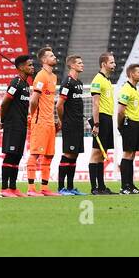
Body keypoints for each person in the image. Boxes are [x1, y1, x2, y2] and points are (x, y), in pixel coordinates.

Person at [0, 53, 34, 197]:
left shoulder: (25, 84)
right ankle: (4, 188)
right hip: (12, 124)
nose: (32, 67)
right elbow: (5, 102)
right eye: (29, 65)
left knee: (17, 156)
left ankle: (13, 187)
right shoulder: (16, 83)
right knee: (10, 155)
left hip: (21, 125)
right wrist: (3, 120)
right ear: (21, 67)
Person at [26, 47, 59, 196]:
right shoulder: (41, 76)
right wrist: (32, 116)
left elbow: (49, 101)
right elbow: (34, 99)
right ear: (44, 60)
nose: (54, 57)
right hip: (40, 121)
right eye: (51, 56)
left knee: (49, 155)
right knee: (35, 154)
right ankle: (31, 188)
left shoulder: (54, 77)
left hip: (50, 121)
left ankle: (44, 188)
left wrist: (56, 119)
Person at [57, 54, 86, 196]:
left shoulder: (79, 83)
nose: (82, 65)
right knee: (68, 153)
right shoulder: (67, 83)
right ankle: (61, 188)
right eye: (79, 63)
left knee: (74, 155)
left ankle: (70, 187)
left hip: (78, 124)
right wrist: (63, 120)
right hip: (70, 124)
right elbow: (59, 105)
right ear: (72, 65)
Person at [87, 53, 116, 195]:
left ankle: (102, 186)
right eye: (111, 62)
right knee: (95, 153)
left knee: (101, 154)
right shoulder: (97, 80)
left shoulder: (107, 80)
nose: (114, 64)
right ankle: (94, 188)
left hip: (107, 118)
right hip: (101, 119)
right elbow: (95, 104)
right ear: (103, 64)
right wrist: (96, 124)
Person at [116, 64, 139, 194]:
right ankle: (124, 186)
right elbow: (121, 111)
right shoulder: (126, 89)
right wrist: (120, 125)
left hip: (137, 123)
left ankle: (130, 184)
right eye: (138, 72)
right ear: (132, 74)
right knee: (127, 153)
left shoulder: (135, 89)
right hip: (129, 123)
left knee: (132, 154)